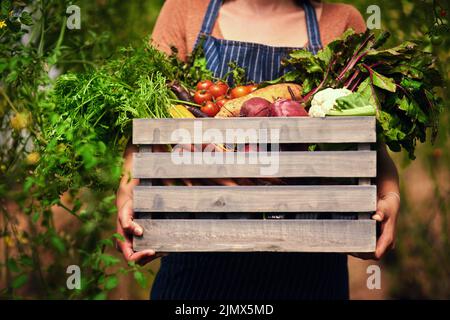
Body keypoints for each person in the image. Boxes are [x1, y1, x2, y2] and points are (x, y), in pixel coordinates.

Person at [115, 0, 400, 300]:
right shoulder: (186, 9)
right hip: (196, 269)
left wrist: (390, 196)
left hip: (311, 270)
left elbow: (369, 146)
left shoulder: (342, 20)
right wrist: (127, 194)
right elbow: (143, 131)